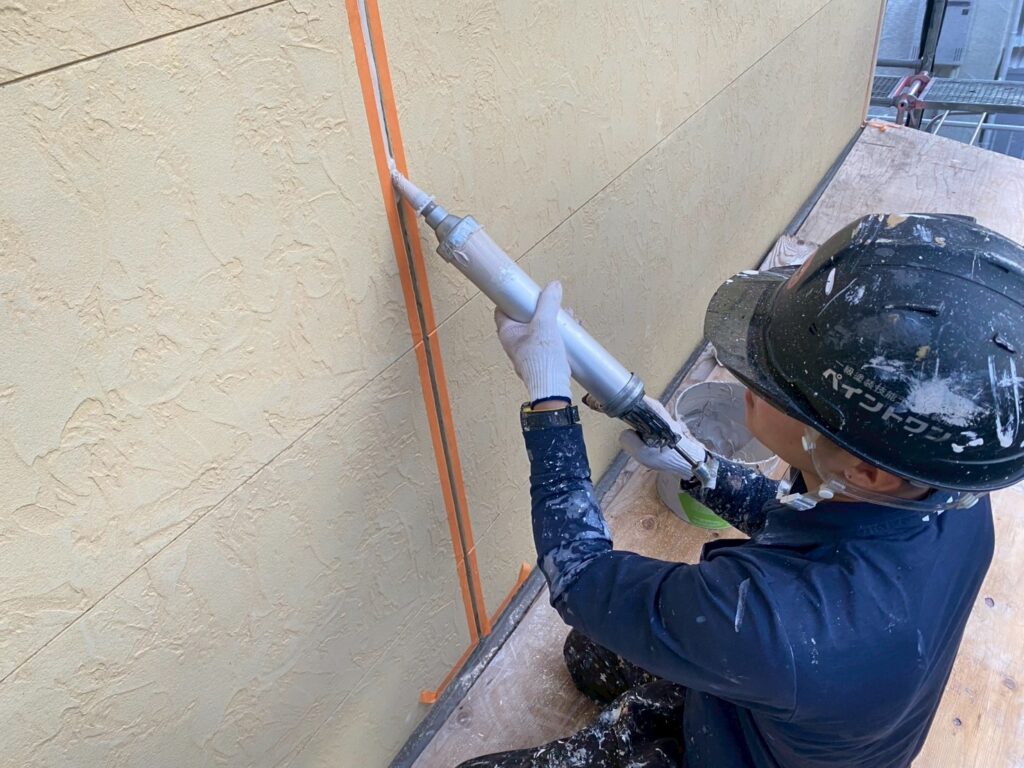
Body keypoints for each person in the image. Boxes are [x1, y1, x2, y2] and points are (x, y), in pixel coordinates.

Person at [458, 214, 1024, 767]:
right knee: (589, 651)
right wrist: (702, 467)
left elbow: (581, 580)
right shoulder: (949, 487)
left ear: (865, 469)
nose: (748, 371)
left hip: (745, 732)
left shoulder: (773, 624)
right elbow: (818, 529)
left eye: (775, 378)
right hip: (790, 708)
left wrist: (549, 402)